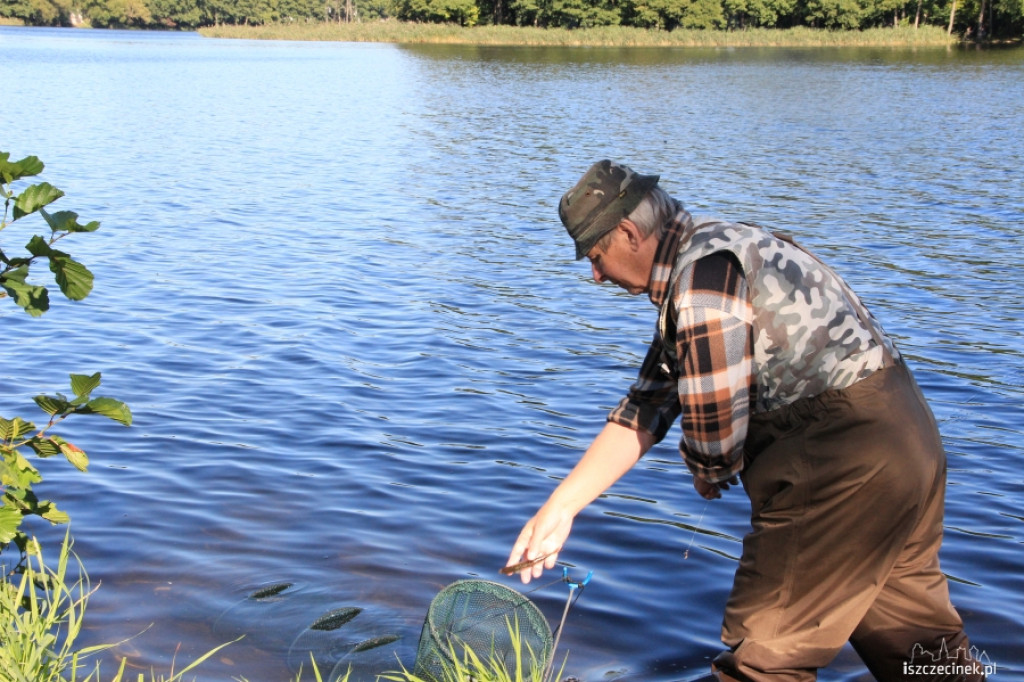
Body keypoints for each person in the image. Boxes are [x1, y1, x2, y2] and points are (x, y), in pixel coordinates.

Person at [505, 160, 983, 682]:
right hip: (907, 440)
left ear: (628, 233)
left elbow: (714, 430)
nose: (595, 275)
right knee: (919, 648)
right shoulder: (721, 248)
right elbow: (647, 405)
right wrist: (560, 509)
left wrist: (709, 468)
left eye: (596, 257)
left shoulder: (701, 283)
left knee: (764, 659)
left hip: (838, 459)